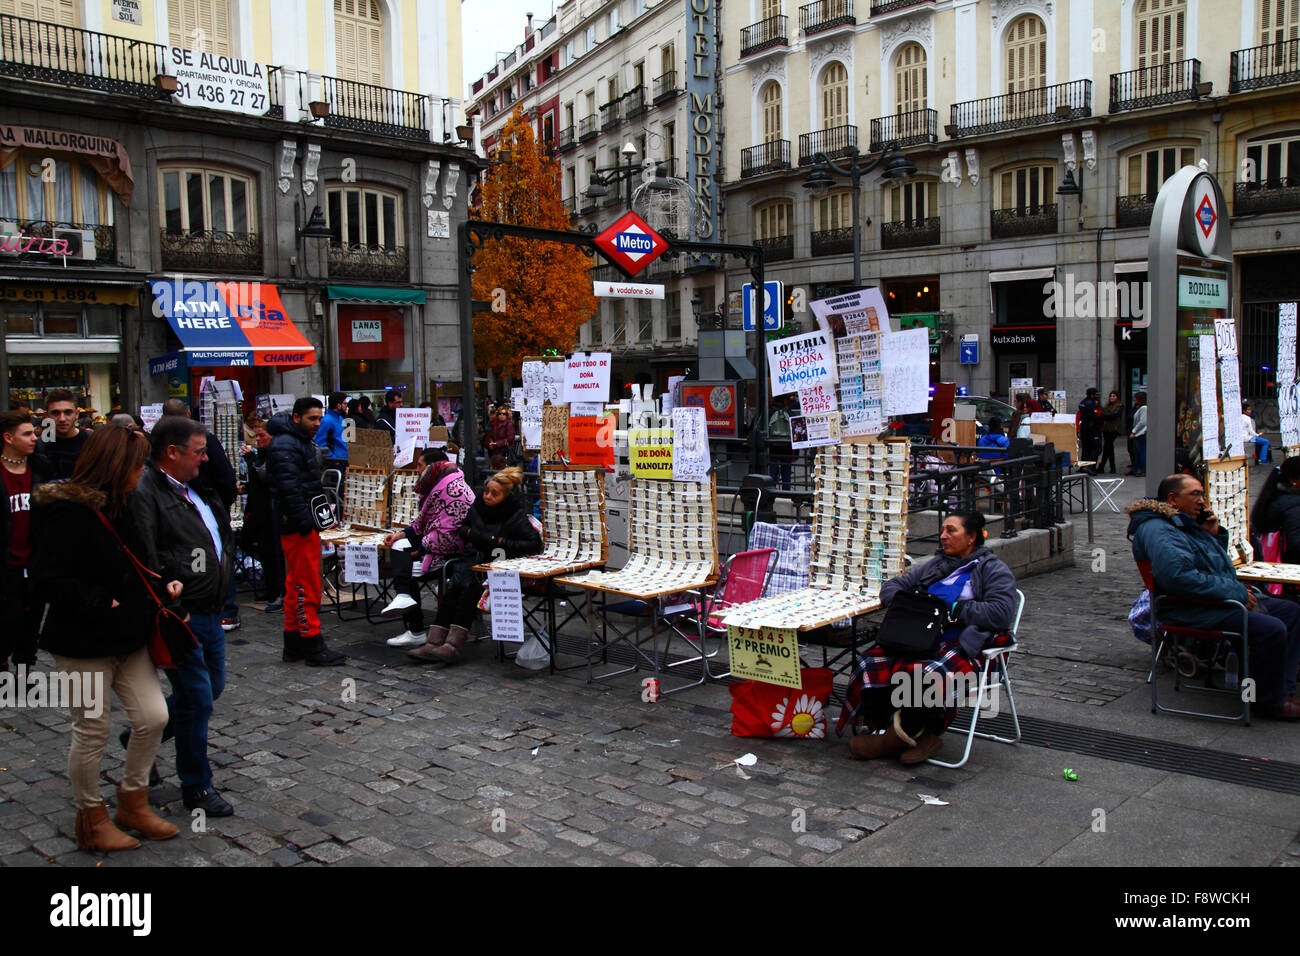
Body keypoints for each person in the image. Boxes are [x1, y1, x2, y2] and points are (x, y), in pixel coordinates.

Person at [31, 425, 180, 851]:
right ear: (117, 466)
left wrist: (164, 580)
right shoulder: (66, 512)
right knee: (92, 730)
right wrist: (100, 602)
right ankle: (91, 817)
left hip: (129, 635)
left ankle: (133, 801)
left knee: (153, 717)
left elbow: (141, 558)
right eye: (137, 464)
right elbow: (45, 580)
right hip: (81, 640)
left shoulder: (126, 502)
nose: (142, 471)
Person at [839, 511, 1019, 763]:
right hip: (922, 636)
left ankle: (899, 737)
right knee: (869, 662)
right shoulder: (936, 565)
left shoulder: (993, 569)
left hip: (963, 642)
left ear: (971, 537)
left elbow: (1001, 612)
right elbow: (892, 587)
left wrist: (955, 608)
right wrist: (912, 603)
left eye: (951, 530)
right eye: (943, 530)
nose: (943, 536)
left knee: (924, 673)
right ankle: (905, 732)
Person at [131, 416, 238, 816]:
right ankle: (197, 785)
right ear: (172, 452)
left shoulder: (195, 487)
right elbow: (147, 554)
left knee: (212, 688)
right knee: (196, 697)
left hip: (209, 609)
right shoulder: (147, 491)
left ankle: (143, 736)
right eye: (198, 451)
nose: (205, 458)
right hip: (183, 613)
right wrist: (171, 603)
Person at [1129, 473, 1300, 717]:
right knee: (1271, 628)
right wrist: (1237, 592)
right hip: (1189, 608)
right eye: (1194, 494)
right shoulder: (1160, 530)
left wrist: (1213, 535)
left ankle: (1281, 691)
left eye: (1202, 493)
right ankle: (1268, 701)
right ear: (1172, 499)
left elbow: (1212, 567)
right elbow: (1179, 578)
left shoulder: (1184, 523)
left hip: (1213, 601)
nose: (1202, 500)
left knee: (1291, 612)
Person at [407, 466, 541, 664]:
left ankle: (453, 644)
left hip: (497, 567)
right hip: (472, 560)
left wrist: (499, 541)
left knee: (470, 590)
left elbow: (533, 543)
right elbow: (463, 527)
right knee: (453, 589)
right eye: (486, 491)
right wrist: (469, 534)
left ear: (506, 495)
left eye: (494, 494)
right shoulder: (478, 506)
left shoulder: (514, 515)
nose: (487, 497)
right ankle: (433, 642)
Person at [266, 397, 347, 666]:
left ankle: (295, 643)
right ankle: (312, 644)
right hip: (299, 525)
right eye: (312, 418)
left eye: (319, 418)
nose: (317, 423)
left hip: (301, 522)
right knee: (306, 585)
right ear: (296, 417)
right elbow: (290, 490)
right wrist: (305, 522)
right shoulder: (286, 445)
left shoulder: (292, 442)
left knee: (296, 584)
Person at [380, 448, 475, 646]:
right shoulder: (440, 484)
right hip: (435, 543)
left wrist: (420, 550)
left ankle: (414, 627)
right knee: (399, 547)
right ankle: (404, 596)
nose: (416, 470)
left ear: (432, 466)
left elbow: (448, 534)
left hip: (452, 551)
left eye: (419, 465)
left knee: (406, 568)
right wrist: (402, 534)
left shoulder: (452, 489)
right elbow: (423, 522)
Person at [1, 411, 48, 675]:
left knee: (32, 621)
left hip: (35, 562)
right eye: (27, 434)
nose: (34, 438)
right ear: (8, 438)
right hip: (6, 564)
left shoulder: (40, 469)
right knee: (6, 619)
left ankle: (24, 670)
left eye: (34, 433)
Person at [239, 418, 285, 610]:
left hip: (271, 510)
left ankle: (277, 592)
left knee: (273, 553)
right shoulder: (263, 453)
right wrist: (246, 487)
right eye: (255, 435)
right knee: (263, 551)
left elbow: (266, 477)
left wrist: (252, 461)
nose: (257, 440)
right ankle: (270, 589)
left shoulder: (274, 454)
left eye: (261, 436)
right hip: (259, 509)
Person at [35, 388, 90, 480]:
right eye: (55, 413)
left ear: (76, 414)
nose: (62, 419)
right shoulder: (40, 445)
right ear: (46, 416)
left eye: (68, 412)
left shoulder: (91, 440)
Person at [316, 391, 350, 479]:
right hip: (336, 463)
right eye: (345, 403)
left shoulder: (340, 418)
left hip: (343, 461)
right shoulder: (326, 421)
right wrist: (333, 459)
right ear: (338, 405)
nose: (346, 406)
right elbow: (320, 442)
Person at [769, 396, 794, 490]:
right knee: (786, 472)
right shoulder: (789, 412)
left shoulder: (769, 412)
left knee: (772, 472)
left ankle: (771, 491)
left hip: (772, 446)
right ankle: (786, 494)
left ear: (773, 399)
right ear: (785, 400)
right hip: (787, 447)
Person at [1078, 387, 1104, 473]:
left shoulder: (1082, 402)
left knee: (1086, 448)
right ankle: (1090, 467)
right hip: (1092, 429)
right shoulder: (1090, 403)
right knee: (1096, 447)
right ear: (1092, 395)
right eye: (1096, 394)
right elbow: (1094, 416)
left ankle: (1082, 467)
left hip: (1084, 428)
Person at [1099, 391, 1125, 475]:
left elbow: (1114, 415)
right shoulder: (1108, 405)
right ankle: (1111, 467)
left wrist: (1105, 415)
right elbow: (1103, 414)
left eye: (1114, 396)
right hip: (1106, 429)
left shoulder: (1119, 406)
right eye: (1111, 396)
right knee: (1108, 448)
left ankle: (1102, 466)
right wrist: (1105, 415)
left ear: (1117, 397)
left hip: (1114, 429)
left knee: (1107, 447)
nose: (1112, 397)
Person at [1242, 401, 1270, 465]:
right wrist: (1258, 435)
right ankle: (1262, 460)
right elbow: (1251, 431)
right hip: (1247, 438)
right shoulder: (1247, 418)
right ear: (1244, 411)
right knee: (1266, 442)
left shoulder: (1238, 417)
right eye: (1248, 410)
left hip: (1242, 437)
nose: (1250, 411)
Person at [1129, 391, 1148, 477]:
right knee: (1137, 452)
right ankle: (1137, 468)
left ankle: (1143, 469)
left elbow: (1143, 422)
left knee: (1141, 452)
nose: (1134, 399)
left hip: (1141, 433)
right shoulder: (1139, 408)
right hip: (1139, 433)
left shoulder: (1144, 408)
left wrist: (1134, 431)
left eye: (1136, 398)